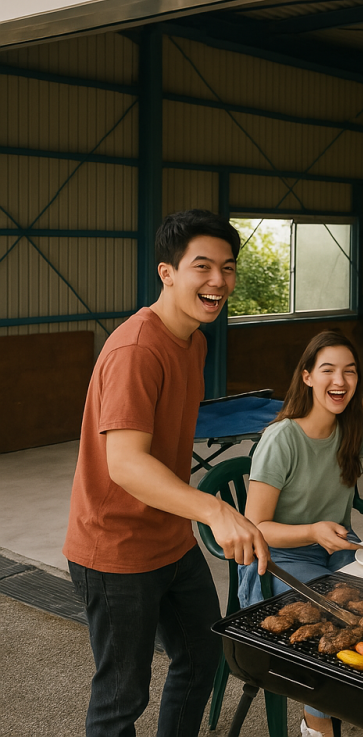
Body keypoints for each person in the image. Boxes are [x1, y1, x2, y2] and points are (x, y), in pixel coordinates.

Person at [63, 209, 270, 737]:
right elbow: (127, 463)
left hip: (171, 542)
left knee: (203, 658)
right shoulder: (137, 349)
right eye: (203, 266)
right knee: (120, 698)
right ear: (168, 272)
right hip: (116, 551)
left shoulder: (194, 340)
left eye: (228, 267)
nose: (218, 281)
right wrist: (215, 510)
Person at [238, 330, 363, 737]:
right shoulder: (282, 438)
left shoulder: (354, 424)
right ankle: (317, 718)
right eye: (328, 371)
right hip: (281, 556)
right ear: (307, 377)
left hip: (337, 547)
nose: (340, 381)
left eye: (350, 372)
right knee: (328, 617)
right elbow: (256, 529)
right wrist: (312, 531)